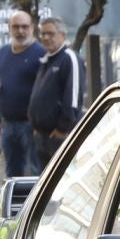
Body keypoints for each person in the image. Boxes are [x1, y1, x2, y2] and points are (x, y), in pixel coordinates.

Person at [0, 10, 44, 179]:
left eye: (24, 26)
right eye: (16, 27)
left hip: (32, 125)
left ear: (32, 28)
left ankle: (37, 198)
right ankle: (14, 198)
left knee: (37, 172)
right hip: (8, 124)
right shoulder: (2, 53)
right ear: (9, 29)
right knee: (11, 175)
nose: (20, 31)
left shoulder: (40, 53)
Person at [28, 17, 85, 174]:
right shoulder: (46, 59)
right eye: (43, 34)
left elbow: (73, 97)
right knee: (43, 182)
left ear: (63, 35)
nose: (46, 37)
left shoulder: (69, 58)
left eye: (51, 33)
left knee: (62, 180)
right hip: (42, 136)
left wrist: (63, 128)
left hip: (59, 136)